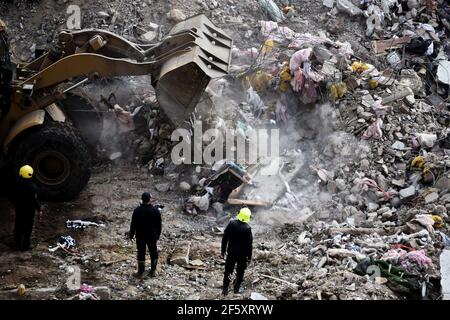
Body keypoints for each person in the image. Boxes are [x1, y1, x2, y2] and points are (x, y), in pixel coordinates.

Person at [221, 207, 253, 296]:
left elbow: (224, 238)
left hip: (231, 253)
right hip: (242, 256)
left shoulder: (231, 224)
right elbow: (249, 245)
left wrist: (223, 251)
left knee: (228, 271)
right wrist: (249, 257)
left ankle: (225, 290)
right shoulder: (247, 228)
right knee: (240, 272)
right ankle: (236, 289)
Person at [129, 192, 162, 278]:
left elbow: (133, 224)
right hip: (152, 236)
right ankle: (153, 271)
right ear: (150, 199)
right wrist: (158, 235)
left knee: (141, 253)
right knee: (153, 252)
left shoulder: (137, 210)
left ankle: (141, 272)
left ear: (142, 199)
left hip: (140, 236)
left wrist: (131, 235)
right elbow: (159, 225)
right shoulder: (155, 210)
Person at [12, 165, 42, 251]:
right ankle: (25, 246)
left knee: (18, 226)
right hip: (29, 212)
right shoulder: (32, 188)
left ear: (20, 174)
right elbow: (35, 200)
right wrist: (39, 209)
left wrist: (16, 205)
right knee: (28, 228)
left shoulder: (16, 185)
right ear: (30, 174)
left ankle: (17, 244)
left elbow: (12, 198)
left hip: (19, 210)